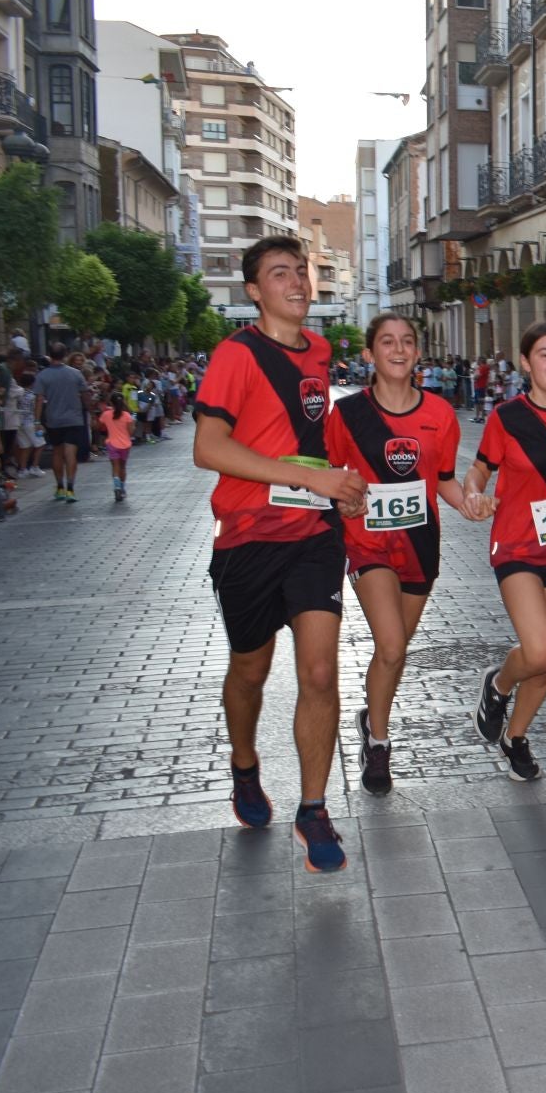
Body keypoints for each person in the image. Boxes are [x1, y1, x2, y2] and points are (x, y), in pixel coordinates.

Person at [192, 235, 367, 873]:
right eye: (279, 274)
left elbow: (307, 444)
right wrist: (309, 479)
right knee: (251, 672)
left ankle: (314, 807)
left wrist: (339, 487)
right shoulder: (236, 355)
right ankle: (245, 766)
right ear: (254, 290)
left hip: (313, 536)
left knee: (321, 673)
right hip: (247, 536)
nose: (296, 282)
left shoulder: (318, 350)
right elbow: (208, 447)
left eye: (302, 271)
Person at [324, 314, 477, 795]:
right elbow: (328, 478)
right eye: (387, 342)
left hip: (420, 545)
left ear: (417, 353)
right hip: (367, 544)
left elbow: (446, 479)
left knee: (395, 653)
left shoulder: (440, 413)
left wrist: (470, 503)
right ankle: (379, 744)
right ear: (370, 354)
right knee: (390, 646)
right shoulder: (347, 415)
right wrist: (342, 498)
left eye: (407, 342)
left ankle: (375, 707)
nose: (398, 349)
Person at [34, 344, 90, 502]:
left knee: (57, 452)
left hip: (54, 419)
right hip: (74, 418)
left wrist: (37, 420)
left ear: (50, 355)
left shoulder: (43, 375)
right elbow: (85, 394)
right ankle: (71, 488)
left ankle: (59, 487)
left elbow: (38, 399)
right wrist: (89, 409)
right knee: (70, 452)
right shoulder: (76, 374)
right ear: (65, 355)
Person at [97, 393, 134, 501]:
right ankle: (122, 488)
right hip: (125, 444)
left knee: (115, 467)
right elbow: (131, 432)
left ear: (111, 403)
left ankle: (116, 486)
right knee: (123, 467)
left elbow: (99, 426)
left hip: (112, 443)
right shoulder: (127, 415)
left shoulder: (106, 414)